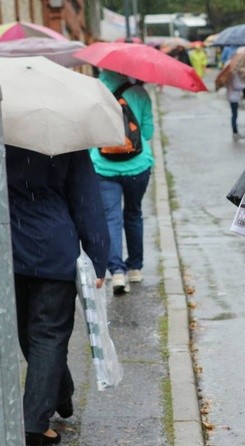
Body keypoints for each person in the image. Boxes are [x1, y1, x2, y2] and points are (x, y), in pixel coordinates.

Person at [7, 144, 109, 445]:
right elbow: (87, 200)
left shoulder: (5, 129)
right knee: (48, 335)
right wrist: (98, 256)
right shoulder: (63, 138)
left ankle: (56, 395)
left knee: (30, 334)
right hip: (53, 248)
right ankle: (35, 424)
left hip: (10, 249)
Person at [90, 70, 155, 294]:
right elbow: (147, 132)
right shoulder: (139, 93)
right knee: (134, 213)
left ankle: (117, 271)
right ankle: (135, 267)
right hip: (138, 166)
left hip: (103, 167)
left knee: (111, 218)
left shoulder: (94, 92)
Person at [225, 66, 245, 140]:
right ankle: (235, 132)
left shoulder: (230, 75)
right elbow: (237, 86)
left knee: (234, 114)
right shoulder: (234, 75)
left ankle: (235, 131)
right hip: (234, 97)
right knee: (234, 115)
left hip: (231, 96)